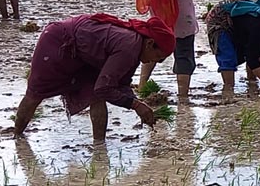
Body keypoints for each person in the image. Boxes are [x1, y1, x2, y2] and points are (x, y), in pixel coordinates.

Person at [12, 13, 175, 141]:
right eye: (159, 56)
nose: (157, 62)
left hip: (85, 55)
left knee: (96, 97)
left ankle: (99, 146)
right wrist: (136, 105)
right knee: (35, 94)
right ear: (149, 43)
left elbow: (121, 83)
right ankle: (17, 137)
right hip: (59, 41)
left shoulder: (136, 49)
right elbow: (105, 87)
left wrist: (138, 104)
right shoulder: (129, 47)